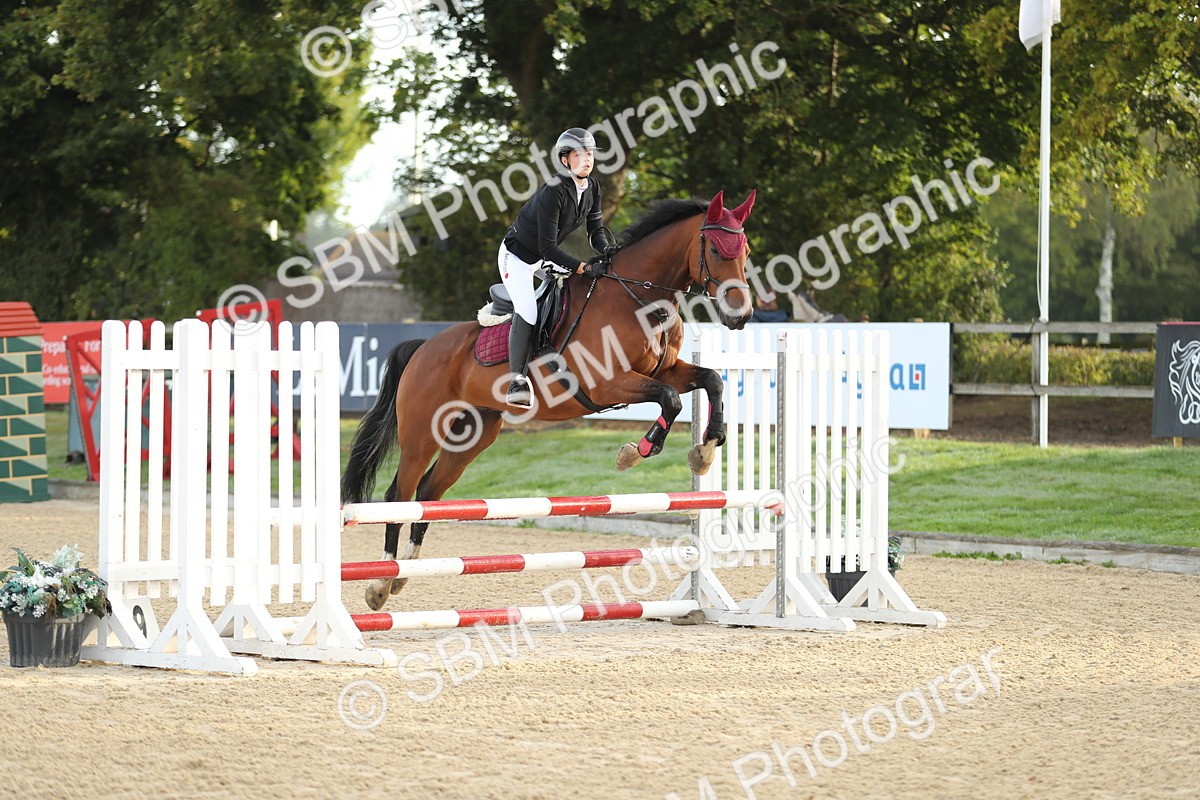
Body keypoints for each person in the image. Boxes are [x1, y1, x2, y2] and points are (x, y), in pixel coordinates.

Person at [497, 128, 615, 408]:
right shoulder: (554, 190)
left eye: (590, 154)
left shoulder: (593, 188)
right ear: (565, 160)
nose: (587, 159)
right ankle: (517, 382)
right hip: (516, 257)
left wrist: (608, 250)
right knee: (528, 309)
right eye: (579, 154)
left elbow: (595, 231)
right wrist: (583, 268)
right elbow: (549, 247)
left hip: (541, 257)